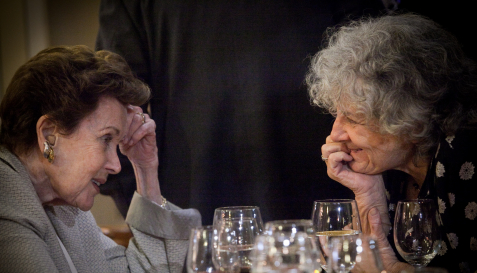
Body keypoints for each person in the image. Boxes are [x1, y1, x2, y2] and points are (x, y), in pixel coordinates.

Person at [0, 45, 256, 273]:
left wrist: (145, 169)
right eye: (106, 139)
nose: (114, 164)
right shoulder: (6, 197)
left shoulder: (63, 204)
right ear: (49, 134)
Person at [94, 0, 393, 223]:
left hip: (314, 208)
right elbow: (112, 101)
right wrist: (152, 211)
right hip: (316, 208)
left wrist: (150, 214)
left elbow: (379, 74)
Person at [306, 13, 477, 273]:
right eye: (335, 115)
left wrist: (385, 270)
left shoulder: (465, 154)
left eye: (353, 118)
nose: (335, 134)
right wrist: (366, 192)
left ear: (409, 117)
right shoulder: (388, 168)